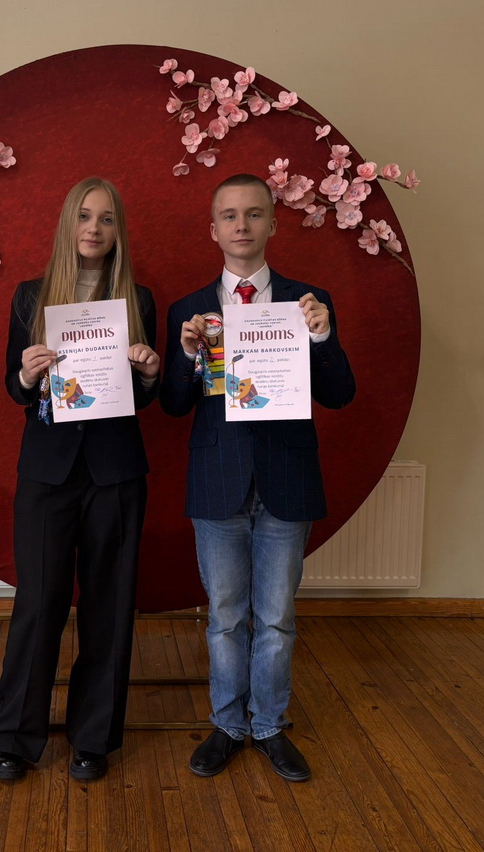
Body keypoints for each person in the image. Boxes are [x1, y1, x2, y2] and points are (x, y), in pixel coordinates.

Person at [160, 173, 355, 783]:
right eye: (229, 215)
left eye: (252, 214)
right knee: (224, 616)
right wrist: (187, 356)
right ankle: (227, 724)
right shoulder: (190, 310)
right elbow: (172, 406)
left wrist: (322, 337)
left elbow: (340, 394)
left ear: (273, 222)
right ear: (213, 229)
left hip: (286, 479)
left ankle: (268, 725)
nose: (241, 225)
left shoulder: (307, 302)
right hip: (217, 480)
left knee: (275, 618)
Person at [0, 177, 160, 782]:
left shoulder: (139, 301)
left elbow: (142, 399)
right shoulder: (29, 298)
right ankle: (14, 736)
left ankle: (94, 739)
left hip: (116, 471)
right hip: (48, 471)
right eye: (85, 216)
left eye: (106, 219)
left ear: (118, 232)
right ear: (68, 224)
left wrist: (149, 372)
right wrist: (27, 375)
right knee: (39, 603)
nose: (94, 228)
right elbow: (13, 390)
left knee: (109, 606)